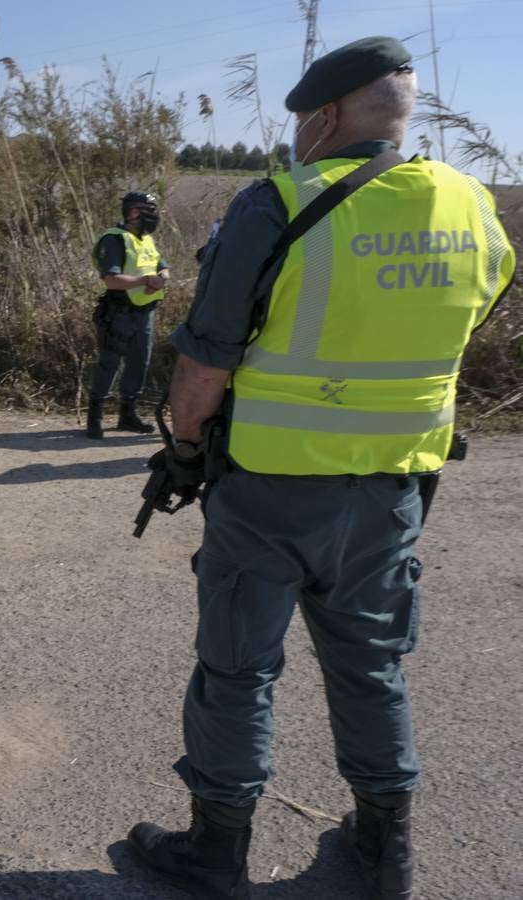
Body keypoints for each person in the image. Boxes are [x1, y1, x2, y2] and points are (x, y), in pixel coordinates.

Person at [126, 37, 514, 900]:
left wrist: (185, 450)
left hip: (268, 485)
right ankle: (388, 853)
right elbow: (471, 318)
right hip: (392, 489)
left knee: (237, 669)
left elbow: (201, 369)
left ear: (325, 115)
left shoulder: (278, 202)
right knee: (371, 663)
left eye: (302, 118)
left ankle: (215, 854)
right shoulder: (470, 203)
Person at [86, 191, 171, 440]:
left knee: (139, 362)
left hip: (145, 313)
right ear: (134, 212)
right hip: (118, 312)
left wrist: (161, 279)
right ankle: (95, 417)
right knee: (109, 363)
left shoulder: (145, 239)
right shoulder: (114, 239)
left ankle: (128, 415)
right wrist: (146, 280)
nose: (154, 216)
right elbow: (111, 280)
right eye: (149, 211)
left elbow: (163, 267)